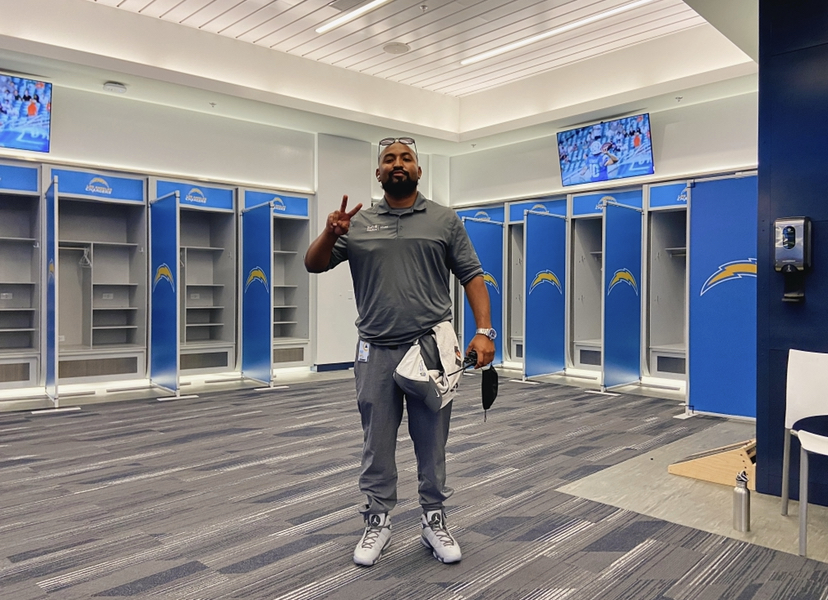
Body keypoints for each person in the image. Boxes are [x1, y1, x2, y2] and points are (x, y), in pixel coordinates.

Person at [304, 136, 496, 567]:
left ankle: (434, 519)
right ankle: (377, 521)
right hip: (374, 350)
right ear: (378, 172)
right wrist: (329, 232)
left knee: (432, 441)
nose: (397, 164)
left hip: (429, 350)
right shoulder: (356, 222)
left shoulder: (444, 220)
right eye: (389, 159)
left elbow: (472, 275)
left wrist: (485, 331)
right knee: (377, 442)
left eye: (406, 158)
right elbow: (314, 264)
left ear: (418, 170)